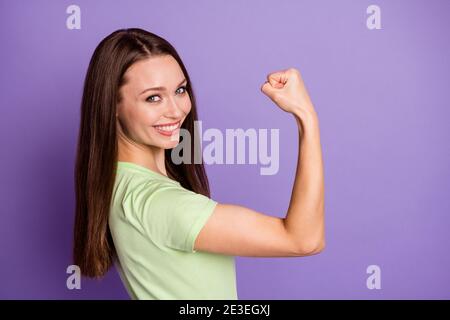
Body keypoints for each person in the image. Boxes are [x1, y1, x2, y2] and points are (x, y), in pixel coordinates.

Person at [73, 28, 325, 300]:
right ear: (113, 104)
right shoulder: (160, 202)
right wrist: (306, 118)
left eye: (179, 90)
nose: (177, 110)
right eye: (153, 97)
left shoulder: (119, 184)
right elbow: (303, 240)